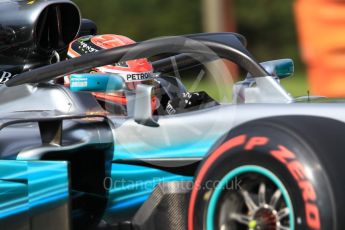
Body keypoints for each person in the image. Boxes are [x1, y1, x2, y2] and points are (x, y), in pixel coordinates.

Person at [65, 34, 218, 115]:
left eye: (145, 82)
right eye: (129, 84)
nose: (140, 90)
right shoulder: (71, 114)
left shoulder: (165, 92)